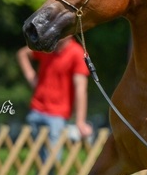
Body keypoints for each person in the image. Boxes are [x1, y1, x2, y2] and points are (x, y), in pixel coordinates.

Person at [17, 36, 93, 164]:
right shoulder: (47, 47)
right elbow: (22, 54)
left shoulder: (77, 53)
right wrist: (31, 77)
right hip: (36, 109)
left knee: (51, 160)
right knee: (34, 160)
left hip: (58, 114)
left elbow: (81, 89)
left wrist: (80, 121)